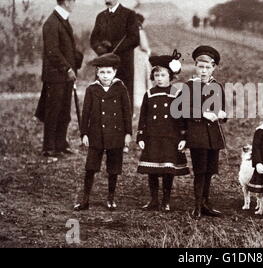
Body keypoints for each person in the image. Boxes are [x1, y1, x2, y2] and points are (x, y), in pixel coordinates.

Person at [74, 54, 132, 211]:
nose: (105, 76)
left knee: (113, 167)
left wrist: (128, 133)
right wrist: (84, 133)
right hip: (96, 133)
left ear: (114, 72)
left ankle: (111, 198)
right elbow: (85, 114)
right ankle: (85, 199)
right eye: (102, 72)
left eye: (108, 72)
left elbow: (127, 112)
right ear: (97, 73)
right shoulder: (92, 89)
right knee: (90, 167)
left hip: (116, 133)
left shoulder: (120, 88)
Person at [137, 50, 189, 212]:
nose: (160, 78)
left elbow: (183, 117)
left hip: (170, 137)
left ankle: (166, 200)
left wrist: (183, 137)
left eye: (163, 75)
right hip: (153, 136)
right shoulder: (149, 94)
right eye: (157, 75)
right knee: (152, 168)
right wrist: (141, 135)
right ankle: (153, 199)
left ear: (171, 76)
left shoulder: (177, 93)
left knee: (168, 169)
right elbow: (143, 117)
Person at [35, 0, 83, 158]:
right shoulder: (52, 23)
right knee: (53, 112)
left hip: (65, 75)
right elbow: (52, 52)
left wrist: (75, 61)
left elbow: (66, 48)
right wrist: (68, 68)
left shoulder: (63, 20)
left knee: (64, 111)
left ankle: (61, 145)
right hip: (56, 76)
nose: (74, 3)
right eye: (72, 0)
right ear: (65, 1)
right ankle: (49, 148)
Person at [179, 46, 227, 219]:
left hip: (213, 135)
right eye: (200, 67)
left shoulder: (217, 86)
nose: (204, 71)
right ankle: (197, 206)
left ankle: (206, 203)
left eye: (207, 67)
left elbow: (223, 110)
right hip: (197, 134)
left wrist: (222, 115)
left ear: (213, 67)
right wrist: (201, 113)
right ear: (195, 67)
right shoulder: (189, 86)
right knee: (200, 170)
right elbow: (181, 109)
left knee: (209, 171)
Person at [90, 0, 139, 111]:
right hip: (104, 65)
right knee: (104, 100)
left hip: (123, 65)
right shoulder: (100, 17)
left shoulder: (129, 15)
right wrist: (100, 49)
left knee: (123, 100)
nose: (107, 0)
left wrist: (114, 49)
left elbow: (134, 39)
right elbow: (93, 39)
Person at [133, 13, 152, 109]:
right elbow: (144, 46)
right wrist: (149, 51)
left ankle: (136, 99)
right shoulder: (140, 32)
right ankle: (141, 100)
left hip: (134, 56)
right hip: (141, 57)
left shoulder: (130, 31)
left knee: (136, 77)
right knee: (142, 77)